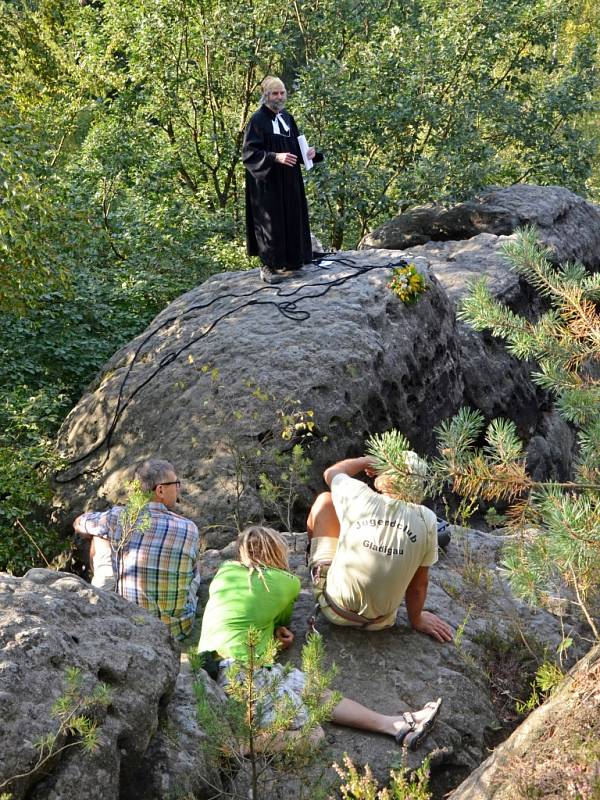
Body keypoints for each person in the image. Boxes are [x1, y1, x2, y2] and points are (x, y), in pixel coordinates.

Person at [198, 525, 442, 750]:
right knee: (312, 735)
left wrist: (271, 634)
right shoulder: (287, 582)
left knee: (320, 695)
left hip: (219, 666)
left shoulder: (224, 572)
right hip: (245, 670)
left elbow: (255, 618)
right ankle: (237, 747)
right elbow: (282, 623)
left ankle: (396, 726)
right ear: (277, 552)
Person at [306, 453, 454, 642]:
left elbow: (331, 472)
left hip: (335, 610)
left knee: (325, 501)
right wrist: (417, 619)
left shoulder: (358, 495)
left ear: (386, 478)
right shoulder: (428, 519)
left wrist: (366, 461)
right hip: (380, 622)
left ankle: (316, 568)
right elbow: (418, 586)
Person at [73, 458, 201, 640]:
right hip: (175, 631)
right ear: (161, 490)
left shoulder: (119, 517)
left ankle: (103, 592)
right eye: (176, 484)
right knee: (195, 568)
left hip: (131, 625)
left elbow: (79, 522)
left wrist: (99, 533)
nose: (179, 489)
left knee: (100, 536)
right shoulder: (189, 527)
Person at [242, 76, 323, 284]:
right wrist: (275, 157)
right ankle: (268, 266)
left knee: (292, 218)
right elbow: (249, 153)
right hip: (268, 184)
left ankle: (293, 262)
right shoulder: (257, 120)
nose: (279, 97)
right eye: (274, 93)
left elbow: (295, 146)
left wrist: (310, 153)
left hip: (290, 181)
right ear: (266, 96)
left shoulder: (287, 118)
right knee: (271, 223)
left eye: (282, 93)